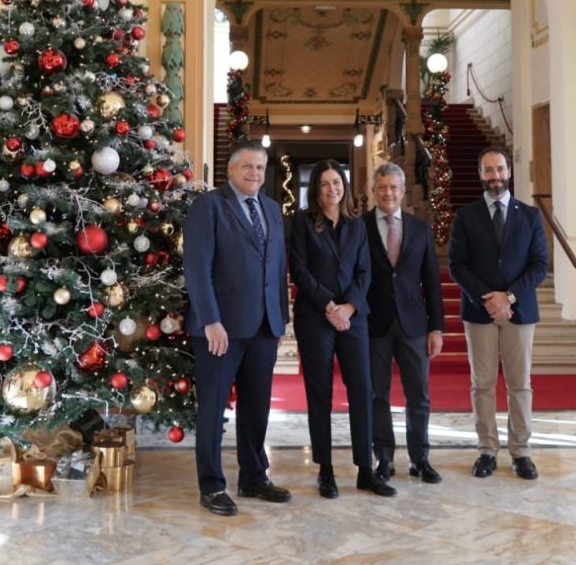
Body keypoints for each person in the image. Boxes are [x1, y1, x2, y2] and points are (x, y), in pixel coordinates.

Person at [183, 141, 291, 516]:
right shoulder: (208, 206)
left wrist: (281, 320)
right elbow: (197, 267)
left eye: (260, 168)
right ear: (230, 170)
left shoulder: (273, 210)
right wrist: (210, 320)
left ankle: (254, 477)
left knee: (256, 406)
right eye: (247, 167)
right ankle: (211, 486)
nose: (255, 174)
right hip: (220, 329)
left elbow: (277, 268)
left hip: (264, 326)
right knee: (213, 407)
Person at [288, 159, 396, 499]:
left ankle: (366, 469)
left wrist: (348, 306)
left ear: (344, 186)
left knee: (362, 389)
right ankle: (326, 469)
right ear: (315, 189)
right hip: (315, 316)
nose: (331, 189)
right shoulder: (302, 223)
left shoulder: (357, 225)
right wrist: (328, 305)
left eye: (337, 182)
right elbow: (299, 270)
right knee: (319, 393)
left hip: (353, 317)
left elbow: (365, 271)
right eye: (324, 184)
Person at [449, 147, 549, 481]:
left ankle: (521, 452)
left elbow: (539, 265)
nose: (495, 177)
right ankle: (486, 450)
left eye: (501, 169)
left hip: (520, 311)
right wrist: (487, 298)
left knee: (520, 384)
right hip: (479, 312)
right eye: (489, 171)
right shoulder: (466, 216)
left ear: (509, 172)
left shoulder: (531, 216)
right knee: (483, 384)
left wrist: (508, 296)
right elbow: (456, 265)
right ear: (481, 174)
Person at [363, 162, 445, 484]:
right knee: (377, 395)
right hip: (374, 324)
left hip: (413, 325)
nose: (387, 193)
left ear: (402, 191)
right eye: (382, 187)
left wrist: (436, 326)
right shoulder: (361, 228)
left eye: (393, 188)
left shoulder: (420, 229)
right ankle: (383, 458)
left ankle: (420, 458)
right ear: (374, 190)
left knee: (419, 396)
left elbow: (432, 282)